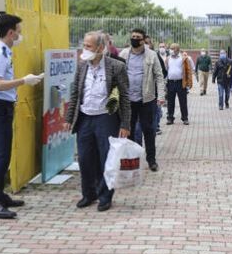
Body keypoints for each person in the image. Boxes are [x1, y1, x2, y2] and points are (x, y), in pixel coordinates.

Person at [0, 14, 43, 219]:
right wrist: (24, 81)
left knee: (1, 156)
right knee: (0, 157)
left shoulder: (4, 51)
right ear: (10, 32)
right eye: (19, 31)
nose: (20, 35)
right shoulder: (0, 53)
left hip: (2, 108)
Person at [65, 31, 131, 212]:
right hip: (85, 118)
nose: (84, 49)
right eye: (84, 45)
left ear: (101, 48)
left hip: (106, 118)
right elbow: (75, 93)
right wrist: (69, 117)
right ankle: (89, 194)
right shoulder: (81, 66)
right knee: (85, 159)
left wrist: (125, 124)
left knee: (106, 160)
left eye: (88, 46)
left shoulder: (116, 67)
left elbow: (124, 97)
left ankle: (105, 196)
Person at [119, 29, 165, 172]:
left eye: (137, 37)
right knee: (129, 130)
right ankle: (132, 161)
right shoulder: (124, 54)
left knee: (148, 130)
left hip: (147, 99)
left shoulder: (151, 55)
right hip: (127, 101)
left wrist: (161, 96)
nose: (134, 39)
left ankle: (151, 160)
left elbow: (159, 76)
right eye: (132, 37)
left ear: (143, 39)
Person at [165, 43, 193, 125]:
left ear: (177, 50)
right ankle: (170, 118)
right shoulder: (168, 59)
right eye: (171, 48)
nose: (171, 50)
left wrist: (189, 83)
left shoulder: (183, 58)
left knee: (183, 101)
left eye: (173, 48)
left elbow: (188, 71)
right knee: (170, 102)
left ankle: (185, 118)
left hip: (181, 83)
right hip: (170, 83)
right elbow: (166, 70)